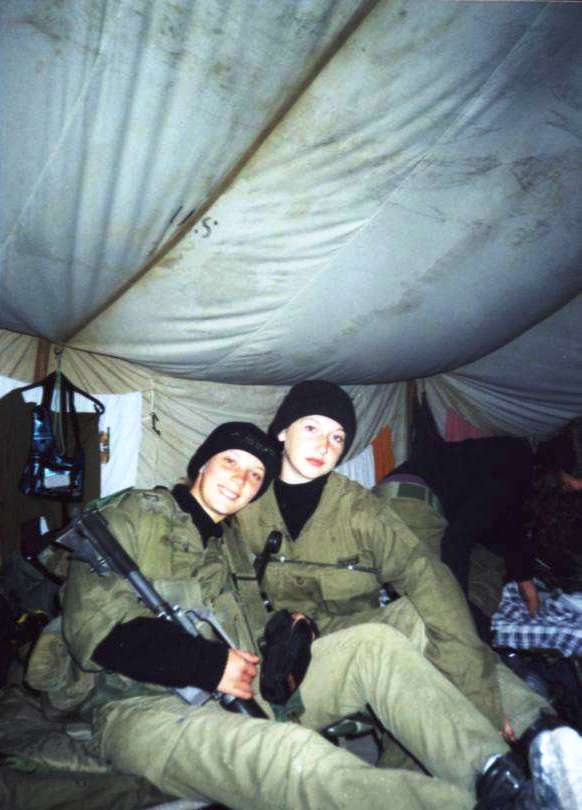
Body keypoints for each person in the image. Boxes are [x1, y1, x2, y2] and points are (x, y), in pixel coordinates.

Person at [22, 421, 579, 810]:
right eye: (230, 462)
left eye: (254, 475)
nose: (240, 479)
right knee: (293, 756)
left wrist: (287, 637)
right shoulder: (134, 515)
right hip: (141, 710)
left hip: (245, 688)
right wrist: (208, 664)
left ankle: (499, 774)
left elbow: (261, 626)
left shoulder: (233, 546)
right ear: (201, 464)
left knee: (376, 644)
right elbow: (95, 632)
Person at [234, 382, 552, 741]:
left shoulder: (361, 511)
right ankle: (520, 733)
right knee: (399, 651)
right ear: (282, 432)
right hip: (286, 651)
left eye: (337, 437)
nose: (324, 446)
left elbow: (426, 575)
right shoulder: (245, 502)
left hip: (353, 632)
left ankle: (537, 727)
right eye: (311, 428)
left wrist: (482, 698)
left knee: (425, 615)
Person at [373, 396, 540, 620]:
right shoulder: (512, 474)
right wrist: (460, 610)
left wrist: (523, 575)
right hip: (410, 501)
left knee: (423, 596)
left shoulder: (500, 459)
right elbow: (458, 540)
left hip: (387, 495)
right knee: (436, 606)